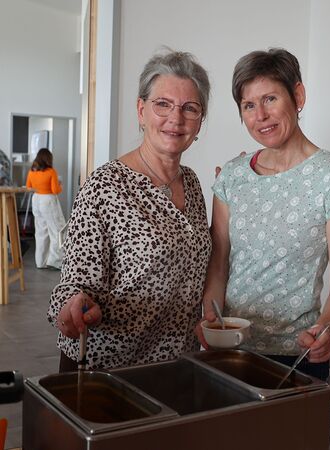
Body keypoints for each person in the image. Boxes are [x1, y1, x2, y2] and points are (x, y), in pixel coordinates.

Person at [197, 48, 330, 381]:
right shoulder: (232, 176)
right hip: (229, 352)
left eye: (270, 99)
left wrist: (323, 329)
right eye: (248, 105)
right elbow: (218, 266)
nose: (260, 115)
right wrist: (210, 319)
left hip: (297, 358)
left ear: (297, 96)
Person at [48, 49, 212, 372]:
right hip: (109, 371)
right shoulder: (105, 185)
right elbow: (73, 283)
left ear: (200, 121)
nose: (176, 118)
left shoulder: (191, 183)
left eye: (189, 108)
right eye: (162, 104)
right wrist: (72, 305)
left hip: (176, 367)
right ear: (141, 110)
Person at [26, 148, 65, 269]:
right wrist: (60, 184)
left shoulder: (32, 171)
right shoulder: (51, 172)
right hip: (48, 200)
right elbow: (55, 190)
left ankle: (41, 262)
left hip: (36, 199)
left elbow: (28, 187)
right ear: (48, 159)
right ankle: (55, 261)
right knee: (57, 230)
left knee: (41, 232)